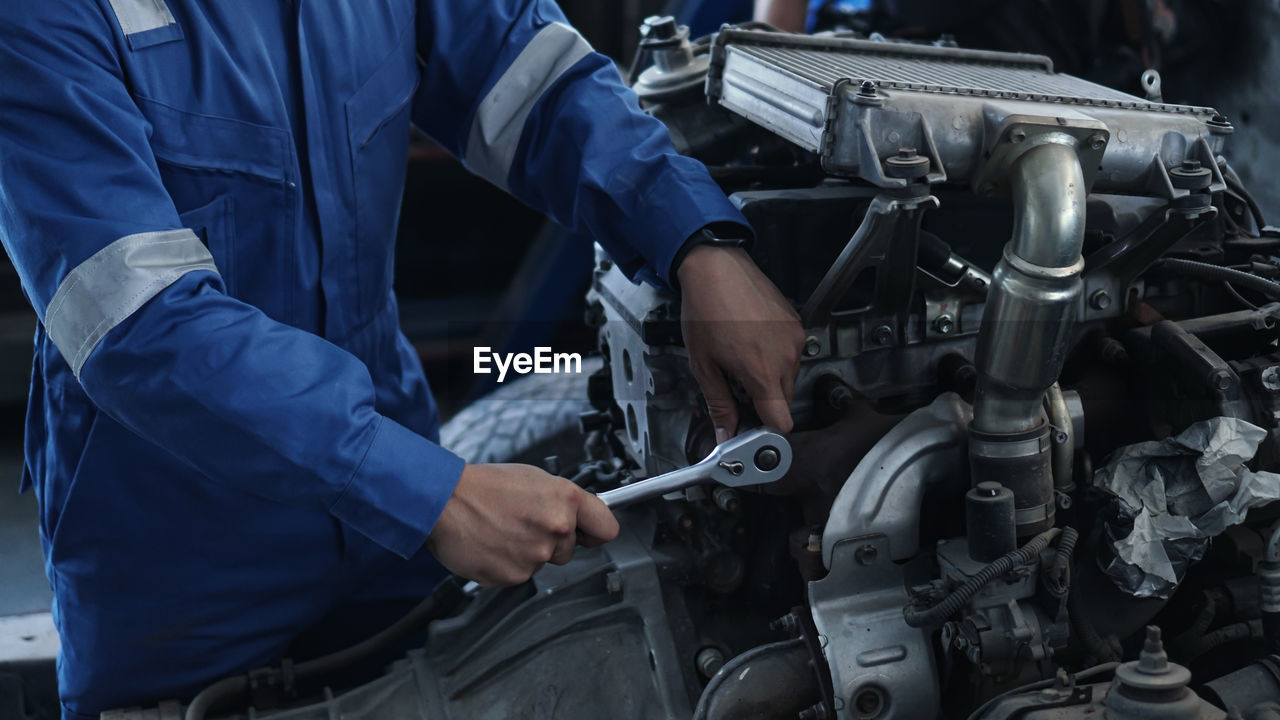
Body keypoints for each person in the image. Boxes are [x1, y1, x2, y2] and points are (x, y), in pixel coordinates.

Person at [0, 1, 804, 717]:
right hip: (183, 567)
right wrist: (431, 494)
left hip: (389, 537)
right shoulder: (43, 18)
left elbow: (531, 76)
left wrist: (696, 239)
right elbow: (143, 327)